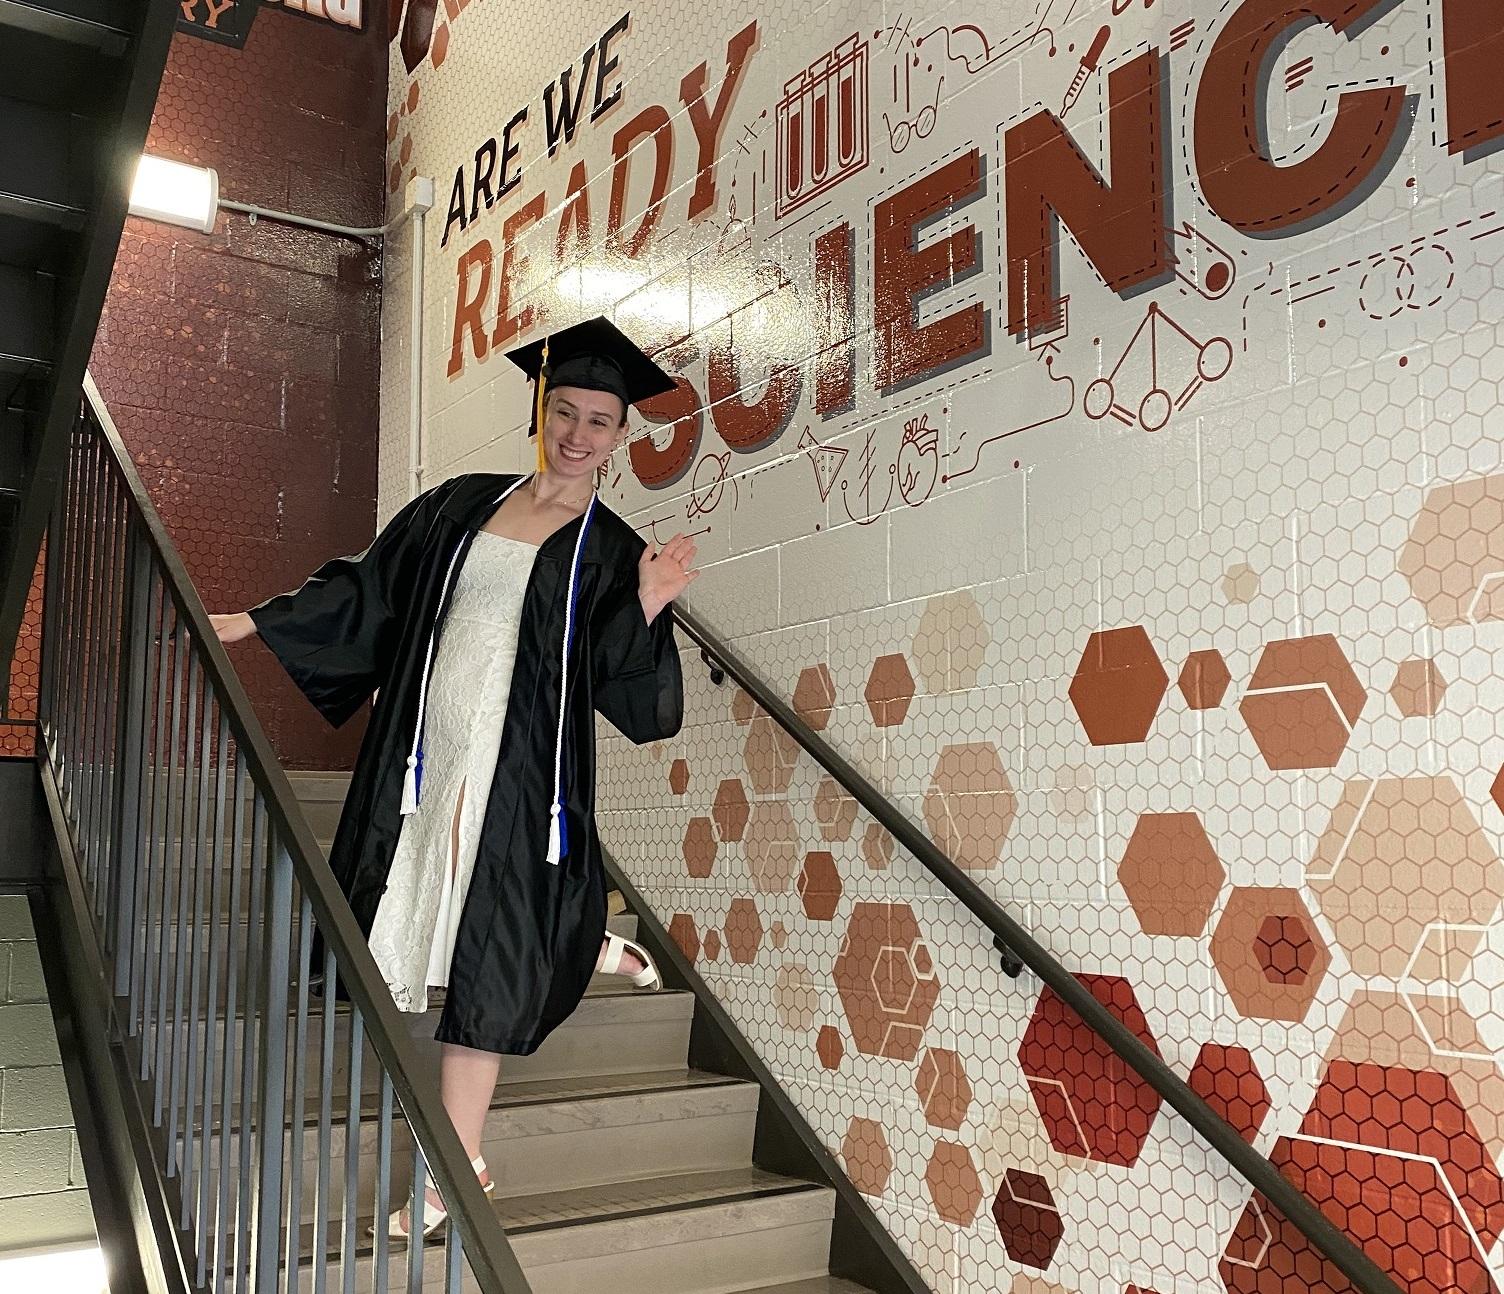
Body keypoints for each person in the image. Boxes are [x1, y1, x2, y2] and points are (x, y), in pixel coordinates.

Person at [210, 317, 697, 1238]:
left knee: (489, 961)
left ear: (622, 436)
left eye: (601, 420)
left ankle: (453, 1163)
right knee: (443, 923)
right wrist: (257, 621)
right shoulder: (461, 504)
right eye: (566, 411)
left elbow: (632, 698)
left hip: (517, 776)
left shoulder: (610, 547)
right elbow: (374, 589)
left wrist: (645, 602)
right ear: (541, 410)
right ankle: (582, 939)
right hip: (426, 762)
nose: (579, 433)